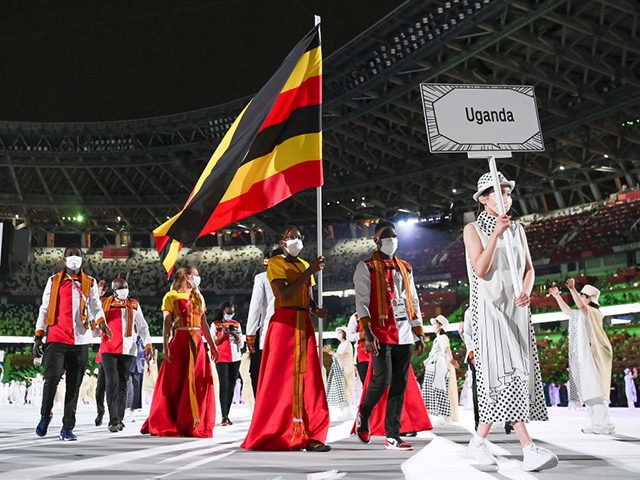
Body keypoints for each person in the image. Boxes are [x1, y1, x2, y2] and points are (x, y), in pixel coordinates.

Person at [464, 172, 557, 471]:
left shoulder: (519, 230)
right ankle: (528, 448)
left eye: (507, 192)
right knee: (508, 374)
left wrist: (526, 292)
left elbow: (529, 269)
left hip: (517, 310)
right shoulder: (473, 229)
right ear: (483, 200)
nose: (505, 196)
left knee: (508, 378)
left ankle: (478, 442)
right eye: (498, 192)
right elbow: (480, 268)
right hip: (489, 312)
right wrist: (496, 234)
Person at [242, 225, 330, 452]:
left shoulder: (303, 265)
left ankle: (311, 433)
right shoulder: (275, 264)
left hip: (304, 324)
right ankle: (278, 430)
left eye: (300, 236)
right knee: (281, 379)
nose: (297, 240)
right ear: (283, 242)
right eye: (292, 237)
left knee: (309, 377)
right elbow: (284, 293)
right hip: (283, 325)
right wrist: (309, 272)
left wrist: (315, 309)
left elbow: (305, 296)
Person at [353, 220, 426, 451]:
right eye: (387, 236)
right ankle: (363, 414)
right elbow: (362, 303)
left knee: (399, 385)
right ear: (377, 240)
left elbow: (412, 299)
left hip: (404, 332)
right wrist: (367, 332)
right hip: (380, 333)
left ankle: (392, 435)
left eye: (394, 235)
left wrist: (418, 331)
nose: (392, 239)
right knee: (381, 380)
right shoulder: (366, 267)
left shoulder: (406, 267)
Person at [33, 246, 111, 441]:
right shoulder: (53, 281)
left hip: (81, 340)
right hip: (56, 338)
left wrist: (102, 324)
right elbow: (44, 309)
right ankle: (45, 415)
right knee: (50, 381)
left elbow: (96, 307)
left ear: (82, 259)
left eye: (77, 255)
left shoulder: (90, 282)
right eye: (70, 255)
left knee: (74, 385)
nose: (74, 258)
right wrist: (38, 336)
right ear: (64, 258)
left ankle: (67, 427)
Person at [141, 266, 218, 437]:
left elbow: (203, 323)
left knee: (197, 382)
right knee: (175, 382)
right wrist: (165, 345)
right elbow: (167, 322)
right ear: (187, 276)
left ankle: (192, 421)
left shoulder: (198, 296)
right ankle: (171, 419)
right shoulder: (171, 296)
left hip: (197, 343)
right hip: (180, 340)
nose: (198, 278)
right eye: (196, 275)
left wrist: (212, 345)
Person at [550, 280, 615, 433]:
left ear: (589, 299)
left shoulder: (593, 312)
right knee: (590, 391)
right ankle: (597, 424)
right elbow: (568, 312)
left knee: (596, 391)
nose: (579, 296)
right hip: (589, 354)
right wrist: (557, 296)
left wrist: (572, 289)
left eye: (581, 295)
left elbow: (580, 306)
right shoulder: (584, 314)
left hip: (595, 354)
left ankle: (603, 425)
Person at [99, 276, 152, 432]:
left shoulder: (134, 305)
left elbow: (143, 327)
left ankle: (119, 418)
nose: (124, 290)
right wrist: (96, 294)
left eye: (126, 287)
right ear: (114, 290)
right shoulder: (104, 303)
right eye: (120, 288)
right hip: (108, 349)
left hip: (128, 350)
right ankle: (113, 420)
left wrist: (148, 345)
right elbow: (90, 315)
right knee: (111, 384)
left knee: (123, 385)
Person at [245, 250, 278, 396]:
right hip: (292, 329)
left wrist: (250, 335)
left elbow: (255, 308)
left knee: (260, 372)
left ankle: (262, 405)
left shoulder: (262, 278)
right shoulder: (295, 276)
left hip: (269, 331)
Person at [212, 301, 244, 426]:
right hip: (221, 358)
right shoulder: (215, 325)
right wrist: (224, 336)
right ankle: (224, 416)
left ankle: (227, 415)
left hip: (235, 358)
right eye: (229, 312)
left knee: (231, 386)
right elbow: (213, 342)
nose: (231, 314)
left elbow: (241, 344)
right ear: (223, 310)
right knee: (224, 386)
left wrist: (235, 335)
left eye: (233, 312)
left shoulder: (236, 324)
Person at [421, 315, 457, 425]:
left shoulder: (442, 338)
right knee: (436, 390)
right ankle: (442, 417)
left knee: (440, 390)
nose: (433, 326)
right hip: (434, 365)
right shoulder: (439, 338)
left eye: (435, 324)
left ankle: (445, 417)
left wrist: (450, 362)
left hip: (439, 366)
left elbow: (446, 351)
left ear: (440, 326)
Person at [324, 326, 355, 409]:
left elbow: (342, 356)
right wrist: (332, 353)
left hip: (345, 370)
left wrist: (332, 353)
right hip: (340, 370)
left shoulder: (347, 344)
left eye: (340, 332)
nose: (338, 334)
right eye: (338, 333)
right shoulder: (341, 344)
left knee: (347, 389)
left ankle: (347, 406)